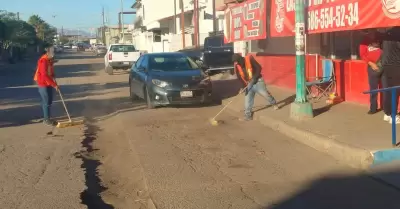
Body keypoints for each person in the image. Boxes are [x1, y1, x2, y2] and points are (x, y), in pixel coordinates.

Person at [232, 53, 279, 121]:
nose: (237, 63)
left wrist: (254, 78)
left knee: (265, 94)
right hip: (248, 84)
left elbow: (259, 67)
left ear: (240, 59)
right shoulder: (237, 65)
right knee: (247, 100)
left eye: (237, 61)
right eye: (235, 62)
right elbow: (239, 77)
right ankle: (248, 116)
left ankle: (273, 103)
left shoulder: (249, 59)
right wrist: (242, 87)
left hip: (258, 81)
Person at [359, 29, 387, 115]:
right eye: (370, 32)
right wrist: (371, 64)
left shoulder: (381, 40)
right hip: (372, 67)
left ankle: (386, 108)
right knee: (373, 89)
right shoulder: (364, 42)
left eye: (374, 32)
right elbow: (362, 55)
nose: (372, 34)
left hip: (383, 66)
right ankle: (373, 108)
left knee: (386, 89)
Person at [33, 45, 59, 126]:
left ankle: (47, 117)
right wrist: (54, 85)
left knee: (49, 100)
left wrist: (53, 74)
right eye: (52, 53)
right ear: (48, 53)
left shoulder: (49, 60)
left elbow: (50, 70)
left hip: (48, 82)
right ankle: (46, 119)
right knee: (46, 101)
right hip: (42, 83)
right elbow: (44, 75)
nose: (53, 55)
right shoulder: (43, 61)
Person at [380, 27, 400, 124]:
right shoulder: (398, 33)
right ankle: (393, 116)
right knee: (395, 92)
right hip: (395, 66)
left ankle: (387, 114)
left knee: (388, 91)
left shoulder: (387, 33)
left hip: (386, 65)